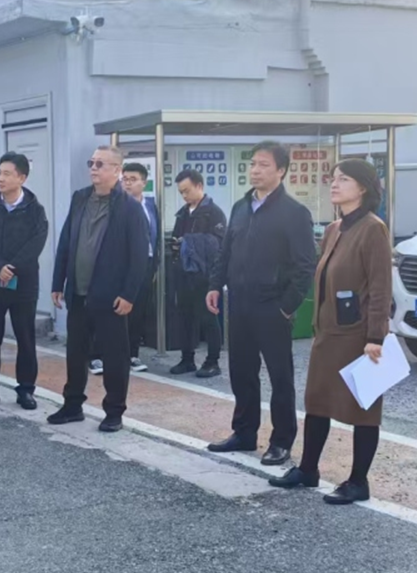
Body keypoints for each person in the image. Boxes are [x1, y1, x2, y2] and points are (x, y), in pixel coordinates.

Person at [271, 160, 392, 504]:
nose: (335, 184)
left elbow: (380, 287)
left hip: (358, 335)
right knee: (318, 401)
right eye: (334, 178)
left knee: (363, 408)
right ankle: (308, 469)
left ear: (363, 187)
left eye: (344, 179)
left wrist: (375, 336)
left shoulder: (373, 229)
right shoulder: (335, 229)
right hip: (328, 332)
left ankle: (358, 481)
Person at [206, 141, 316, 465]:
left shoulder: (294, 213)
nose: (255, 170)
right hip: (239, 304)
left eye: (264, 165)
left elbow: (305, 266)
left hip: (272, 306)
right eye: (253, 163)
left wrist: (286, 306)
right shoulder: (241, 208)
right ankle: (244, 432)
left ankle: (281, 441)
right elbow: (225, 252)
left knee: (280, 377)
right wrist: (215, 285)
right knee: (241, 372)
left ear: (281, 170)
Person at [48, 146, 149, 433]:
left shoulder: (129, 207)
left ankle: (114, 412)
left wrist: (129, 294)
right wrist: (58, 281)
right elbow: (66, 240)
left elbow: (138, 256)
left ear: (117, 170)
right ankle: (72, 406)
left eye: (100, 164)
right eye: (91, 163)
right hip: (78, 293)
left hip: (111, 297)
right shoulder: (80, 198)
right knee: (76, 353)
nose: (93, 168)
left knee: (115, 357)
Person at [0, 152, 50, 412]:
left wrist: (12, 269)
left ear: (22, 178)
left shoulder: (35, 210)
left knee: (25, 339)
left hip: (23, 285)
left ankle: (25, 390)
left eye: (7, 174)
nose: (0, 178)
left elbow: (36, 244)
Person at [167, 169, 226, 379]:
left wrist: (189, 242)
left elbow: (218, 243)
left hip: (205, 274)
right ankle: (187, 359)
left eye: (187, 190)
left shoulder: (214, 213)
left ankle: (212, 361)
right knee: (185, 317)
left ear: (199, 186)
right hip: (184, 272)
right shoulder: (183, 213)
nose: (184, 195)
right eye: (181, 192)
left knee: (208, 318)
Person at [121, 162, 160, 372]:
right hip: (124, 266)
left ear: (144, 183)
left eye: (133, 179)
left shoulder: (150, 205)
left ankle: (133, 354)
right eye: (125, 179)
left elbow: (156, 234)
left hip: (147, 264)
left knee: (139, 310)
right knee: (120, 310)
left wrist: (155, 265)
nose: (128, 183)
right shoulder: (118, 205)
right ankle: (111, 353)